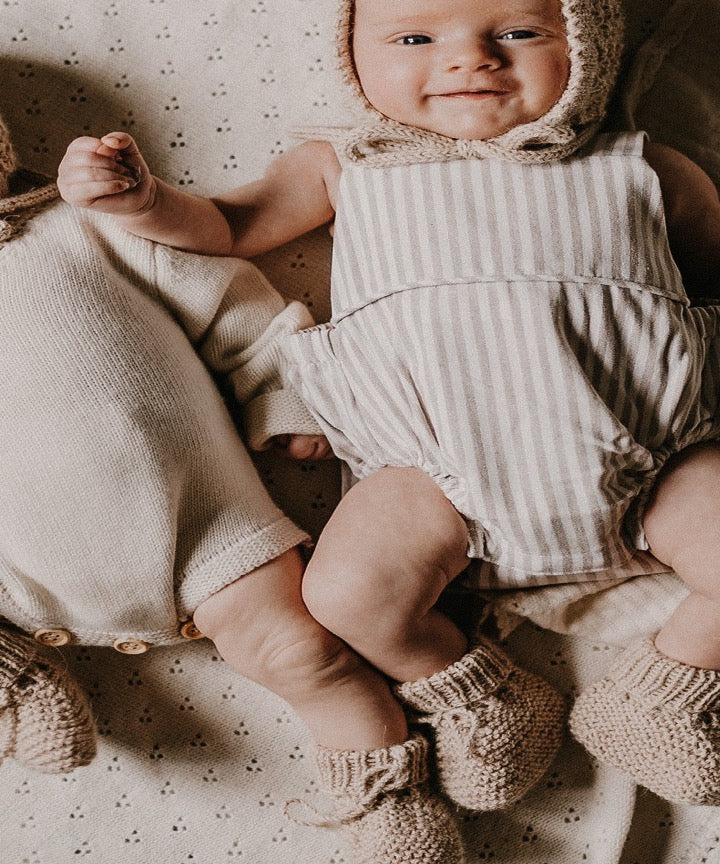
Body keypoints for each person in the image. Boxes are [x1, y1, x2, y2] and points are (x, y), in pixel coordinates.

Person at [57, 0, 720, 846]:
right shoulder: (347, 165)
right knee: (345, 599)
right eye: (416, 38)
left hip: (651, 451)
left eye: (518, 33)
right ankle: (473, 690)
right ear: (356, 61)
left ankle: (662, 696)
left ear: (587, 48)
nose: (469, 59)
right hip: (432, 471)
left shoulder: (642, 166)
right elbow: (227, 227)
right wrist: (144, 202)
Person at [0, 109, 469, 864]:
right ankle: (15, 682)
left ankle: (385, 797)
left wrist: (283, 396)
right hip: (13, 580)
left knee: (307, 658)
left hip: (203, 528)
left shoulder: (80, 226)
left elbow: (232, 307)